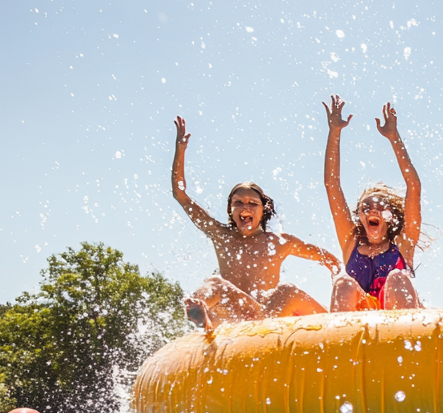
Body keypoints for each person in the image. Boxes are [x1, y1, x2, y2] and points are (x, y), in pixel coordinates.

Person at [170, 116, 341, 331]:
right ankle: (200, 313)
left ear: (264, 210)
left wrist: (338, 275)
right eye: (238, 203)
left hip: (268, 315)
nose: (245, 208)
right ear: (231, 210)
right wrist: (181, 150)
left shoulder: (279, 242)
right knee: (214, 283)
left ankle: (337, 327)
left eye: (253, 203)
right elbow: (180, 194)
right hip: (235, 315)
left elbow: (329, 260)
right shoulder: (221, 235)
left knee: (287, 290)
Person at [323, 97, 422, 310]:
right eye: (366, 207)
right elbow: (331, 183)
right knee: (343, 283)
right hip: (362, 319)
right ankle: (341, 341)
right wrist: (335, 131)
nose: (372, 210)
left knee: (397, 278)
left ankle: (406, 336)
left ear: (391, 216)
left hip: (399, 319)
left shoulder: (403, 245)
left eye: (380, 206)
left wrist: (393, 137)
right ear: (359, 216)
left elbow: (413, 186)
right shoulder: (351, 242)